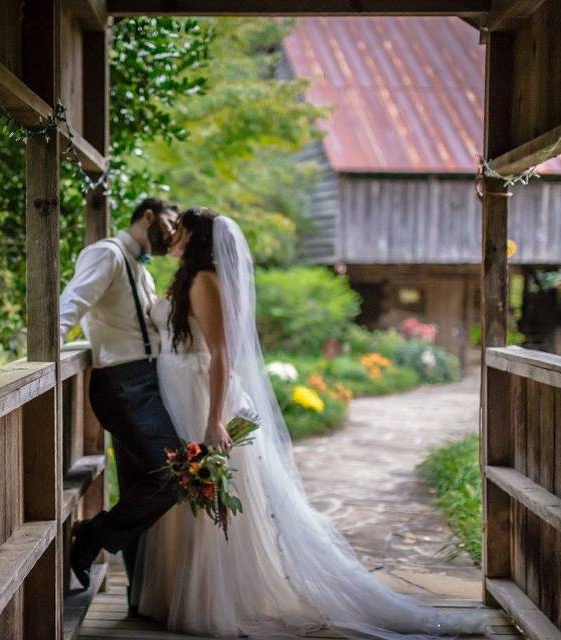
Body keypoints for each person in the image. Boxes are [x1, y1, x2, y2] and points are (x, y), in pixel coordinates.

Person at [135, 208, 489, 639]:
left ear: (197, 238)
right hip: (176, 390)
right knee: (182, 495)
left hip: (198, 395)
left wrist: (213, 420)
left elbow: (221, 353)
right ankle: (175, 593)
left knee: (205, 496)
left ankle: (213, 599)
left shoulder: (205, 281)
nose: (174, 234)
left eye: (182, 229)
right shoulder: (182, 279)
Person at [58, 197, 180, 612]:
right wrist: (44, 351)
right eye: (170, 219)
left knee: (138, 483)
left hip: (143, 382)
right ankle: (93, 537)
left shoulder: (140, 267)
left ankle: (138, 596)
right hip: (123, 383)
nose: (173, 229)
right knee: (173, 472)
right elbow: (72, 301)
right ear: (148, 215)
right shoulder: (107, 254)